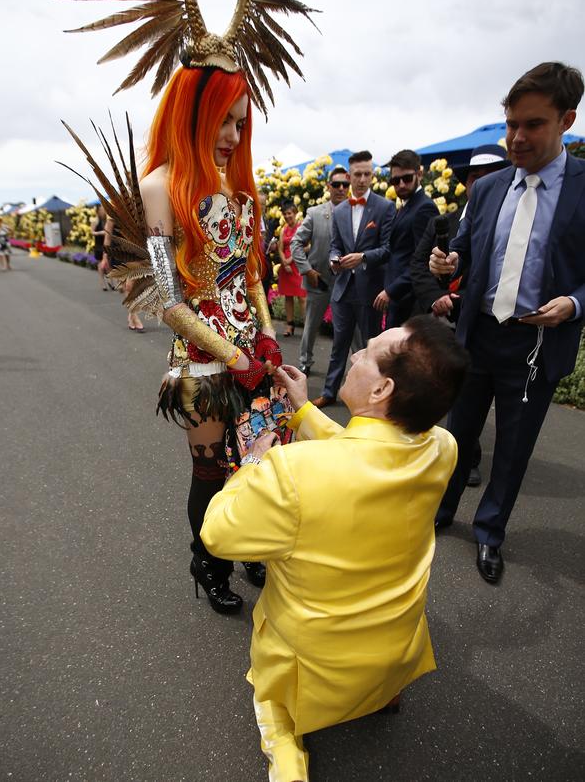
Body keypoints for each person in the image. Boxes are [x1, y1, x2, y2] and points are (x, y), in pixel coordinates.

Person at [45, 0, 348, 616]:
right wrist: (230, 353)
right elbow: (166, 297)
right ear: (193, 110)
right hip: (203, 362)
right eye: (226, 120)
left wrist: (267, 339)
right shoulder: (159, 189)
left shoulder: (241, 187)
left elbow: (251, 277)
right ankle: (206, 564)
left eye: (243, 122)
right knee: (212, 471)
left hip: (252, 350)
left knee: (261, 466)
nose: (235, 135)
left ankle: (248, 551)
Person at [201, 316, 469, 782]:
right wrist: (303, 411)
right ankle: (384, 691)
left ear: (382, 389)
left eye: (367, 352)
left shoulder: (291, 471)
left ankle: (286, 755)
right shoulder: (442, 447)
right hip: (396, 646)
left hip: (315, 658)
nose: (354, 354)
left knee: (270, 699)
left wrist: (252, 464)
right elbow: (362, 451)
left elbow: (218, 534)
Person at [430, 61, 585, 584]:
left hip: (537, 343)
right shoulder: (489, 186)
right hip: (478, 336)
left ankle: (490, 532)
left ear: (566, 119)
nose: (516, 137)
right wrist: (448, 262)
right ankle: (440, 512)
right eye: (510, 123)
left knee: (515, 446)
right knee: (458, 434)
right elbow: (465, 249)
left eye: (532, 125)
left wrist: (574, 303)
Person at [410, 143, 510, 488]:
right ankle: (425, 448)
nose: (482, 184)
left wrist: (460, 299)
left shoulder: (509, 226)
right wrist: (437, 297)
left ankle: (467, 458)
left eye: (491, 177)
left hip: (475, 322)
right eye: (475, 178)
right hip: (437, 320)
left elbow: (500, 279)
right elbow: (419, 264)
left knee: (469, 394)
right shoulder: (444, 221)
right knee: (430, 385)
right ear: (467, 184)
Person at [312, 150, 394, 408]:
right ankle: (329, 392)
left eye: (367, 174)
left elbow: (388, 249)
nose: (362, 179)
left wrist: (363, 257)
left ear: (372, 175)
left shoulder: (385, 207)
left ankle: (372, 396)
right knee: (339, 345)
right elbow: (335, 246)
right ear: (349, 176)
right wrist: (335, 260)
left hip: (370, 290)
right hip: (343, 288)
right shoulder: (339, 211)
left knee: (371, 346)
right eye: (357, 174)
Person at [291, 165, 350, 376]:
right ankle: (305, 361)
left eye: (345, 184)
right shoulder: (315, 213)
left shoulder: (356, 212)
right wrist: (307, 270)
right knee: (312, 324)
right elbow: (296, 243)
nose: (341, 188)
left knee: (349, 328)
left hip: (347, 281)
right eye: (336, 184)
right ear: (329, 186)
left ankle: (357, 366)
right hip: (320, 279)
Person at [374, 150, 438, 328]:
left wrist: (392, 291)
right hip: (399, 300)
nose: (401, 184)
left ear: (419, 174)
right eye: (395, 180)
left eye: (407, 178)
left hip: (410, 302)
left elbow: (423, 261)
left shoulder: (424, 208)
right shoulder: (407, 205)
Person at [276, 203, 307, 337]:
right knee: (288, 296)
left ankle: (307, 327)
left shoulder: (302, 227)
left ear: (295, 213)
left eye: (290, 213)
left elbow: (308, 246)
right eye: (285, 214)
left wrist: (291, 260)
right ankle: (290, 325)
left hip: (298, 264)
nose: (287, 216)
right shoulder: (284, 229)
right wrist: (284, 262)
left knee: (302, 297)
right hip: (286, 267)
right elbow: (280, 248)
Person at [90, 204, 110, 291]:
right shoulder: (95, 221)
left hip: (106, 244)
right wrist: (101, 233)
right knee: (100, 264)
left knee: (109, 263)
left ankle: (111, 281)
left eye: (104, 209)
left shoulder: (107, 220)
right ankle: (103, 283)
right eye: (102, 210)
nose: (103, 211)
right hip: (98, 245)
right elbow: (92, 232)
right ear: (98, 211)